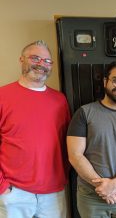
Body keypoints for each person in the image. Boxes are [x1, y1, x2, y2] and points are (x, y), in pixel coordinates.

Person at [67, 61, 116, 218]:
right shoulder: (84, 113)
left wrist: (113, 185)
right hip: (91, 197)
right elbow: (75, 156)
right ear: (106, 81)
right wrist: (103, 188)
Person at [0, 40, 70, 218]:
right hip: (14, 193)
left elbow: (67, 144)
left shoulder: (60, 100)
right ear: (21, 59)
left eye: (47, 61)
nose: (41, 64)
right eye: (35, 58)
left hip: (53, 194)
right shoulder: (2, 96)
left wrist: (63, 179)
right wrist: (2, 187)